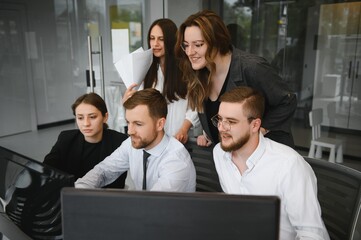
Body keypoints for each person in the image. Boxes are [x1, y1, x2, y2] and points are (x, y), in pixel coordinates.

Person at [212, 86, 330, 240]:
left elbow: (313, 235)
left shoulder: (289, 165)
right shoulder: (219, 153)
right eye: (220, 119)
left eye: (231, 122)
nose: (222, 128)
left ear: (255, 125)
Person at [175, 10, 297, 148]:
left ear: (217, 42)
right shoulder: (199, 74)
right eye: (186, 45)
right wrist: (210, 133)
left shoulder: (252, 67)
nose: (190, 52)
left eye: (198, 45)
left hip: (268, 157)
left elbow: (288, 100)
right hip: (232, 161)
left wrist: (260, 131)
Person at [75, 88, 196, 192]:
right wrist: (78, 190)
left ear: (160, 124)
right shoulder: (132, 143)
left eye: (138, 124)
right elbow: (103, 171)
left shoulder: (176, 161)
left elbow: (152, 205)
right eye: (128, 122)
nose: (130, 131)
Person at [123, 18, 199, 144]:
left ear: (171, 40)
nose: (155, 44)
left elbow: (196, 105)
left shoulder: (186, 68)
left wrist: (184, 129)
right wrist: (128, 101)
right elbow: (140, 107)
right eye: (152, 38)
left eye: (161, 39)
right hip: (153, 140)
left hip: (180, 139)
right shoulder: (145, 69)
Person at [43, 93, 128, 189]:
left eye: (92, 117)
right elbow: (45, 170)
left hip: (107, 199)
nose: (86, 123)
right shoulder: (66, 138)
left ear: (105, 117)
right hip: (72, 197)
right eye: (80, 118)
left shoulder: (120, 141)